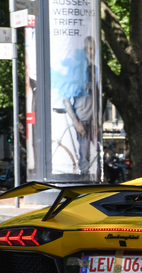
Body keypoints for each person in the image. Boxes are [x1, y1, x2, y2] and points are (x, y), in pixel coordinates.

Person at [63, 36, 99, 176]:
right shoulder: (76, 71)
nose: (92, 52)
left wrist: (97, 119)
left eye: (94, 49)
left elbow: (97, 97)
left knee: (94, 158)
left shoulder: (94, 70)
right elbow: (65, 99)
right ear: (84, 50)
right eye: (89, 49)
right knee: (84, 159)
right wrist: (76, 122)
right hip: (82, 121)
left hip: (92, 121)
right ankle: (83, 187)